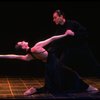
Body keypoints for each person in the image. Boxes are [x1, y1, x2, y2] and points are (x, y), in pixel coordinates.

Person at [0, 30, 98, 96]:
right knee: (71, 74)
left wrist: (1, 56)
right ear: (23, 47)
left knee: (50, 86)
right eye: (22, 42)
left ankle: (35, 89)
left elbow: (13, 56)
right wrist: (65, 34)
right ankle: (88, 88)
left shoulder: (28, 57)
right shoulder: (36, 47)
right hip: (55, 64)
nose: (23, 41)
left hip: (49, 67)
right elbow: (52, 38)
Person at [47, 9, 100, 76]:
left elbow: (85, 34)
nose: (53, 20)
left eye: (55, 17)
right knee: (60, 66)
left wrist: (74, 34)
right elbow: (55, 42)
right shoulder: (59, 30)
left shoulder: (73, 23)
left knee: (94, 67)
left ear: (61, 16)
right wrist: (48, 51)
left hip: (81, 49)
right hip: (69, 51)